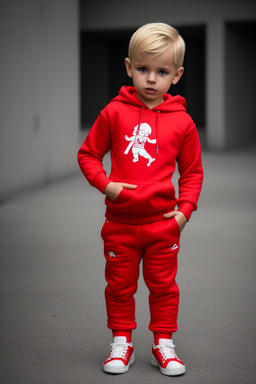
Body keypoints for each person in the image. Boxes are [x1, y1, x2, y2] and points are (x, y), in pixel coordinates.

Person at [77, 22, 203, 376]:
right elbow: (88, 154)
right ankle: (122, 342)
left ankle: (163, 344)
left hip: (164, 224)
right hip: (120, 224)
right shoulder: (113, 113)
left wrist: (184, 213)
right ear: (129, 67)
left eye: (161, 72)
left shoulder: (183, 123)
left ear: (176, 76)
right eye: (143, 69)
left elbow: (192, 172)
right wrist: (107, 185)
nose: (151, 79)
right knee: (119, 287)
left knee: (164, 288)